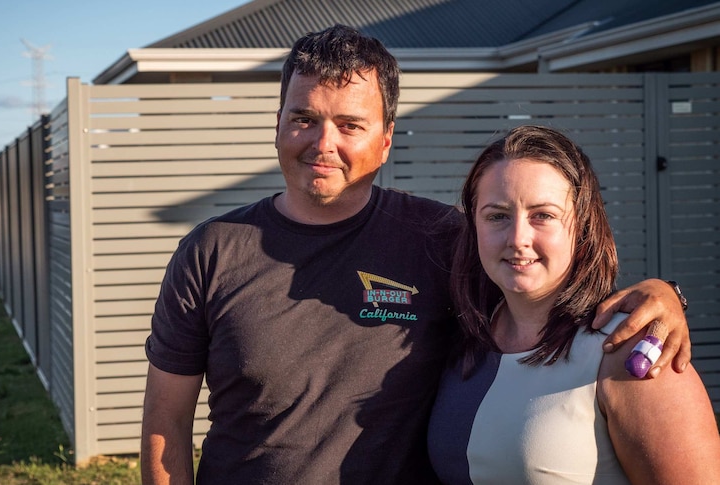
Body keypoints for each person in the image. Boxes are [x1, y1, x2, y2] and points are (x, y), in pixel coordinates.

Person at [141, 25, 692, 485]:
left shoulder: (442, 238)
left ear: (384, 141)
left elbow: (542, 277)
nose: (322, 143)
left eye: (350, 125)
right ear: (278, 126)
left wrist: (663, 296)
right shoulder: (211, 251)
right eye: (303, 118)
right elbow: (166, 423)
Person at [427, 125, 720, 484]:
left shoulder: (633, 352)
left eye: (543, 215)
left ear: (582, 227)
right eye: (497, 216)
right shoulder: (462, 334)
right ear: (472, 226)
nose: (518, 238)